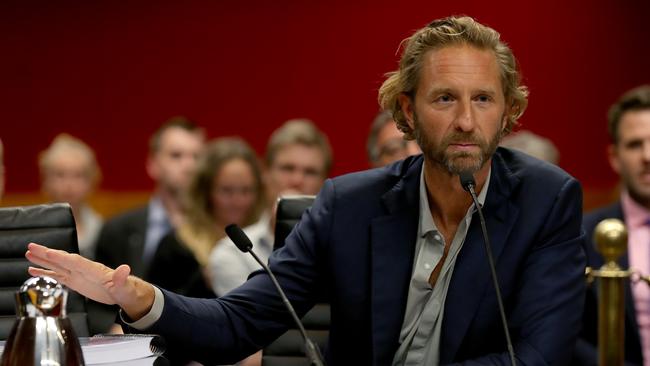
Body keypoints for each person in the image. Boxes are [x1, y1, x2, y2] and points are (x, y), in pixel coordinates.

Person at [26, 16, 585, 365]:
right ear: (407, 113)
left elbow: (538, 354)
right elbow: (237, 325)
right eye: (444, 99)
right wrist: (138, 297)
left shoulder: (546, 200)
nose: (465, 121)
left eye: (483, 99)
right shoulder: (349, 204)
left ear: (509, 111)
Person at [90, 117, 205, 334]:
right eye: (176, 155)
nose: (189, 165)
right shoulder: (118, 229)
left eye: (196, 157)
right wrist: (113, 330)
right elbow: (94, 303)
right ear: (152, 164)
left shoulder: (221, 228)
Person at [208, 119, 332, 297]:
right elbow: (253, 316)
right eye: (287, 168)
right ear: (266, 174)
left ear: (325, 183)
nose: (297, 180)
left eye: (310, 172)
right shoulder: (232, 252)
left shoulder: (342, 249)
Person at [575, 85, 650, 366]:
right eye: (634, 144)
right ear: (615, 157)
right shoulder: (583, 235)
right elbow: (569, 334)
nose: (647, 156)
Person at [147, 137, 265, 298]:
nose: (238, 201)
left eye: (246, 190)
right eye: (227, 191)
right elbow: (155, 307)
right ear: (206, 192)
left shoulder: (267, 239)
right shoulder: (176, 246)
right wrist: (202, 282)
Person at [39, 133, 103, 259]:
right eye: (60, 174)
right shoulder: (34, 228)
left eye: (78, 175)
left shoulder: (102, 230)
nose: (69, 184)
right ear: (46, 179)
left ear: (91, 180)